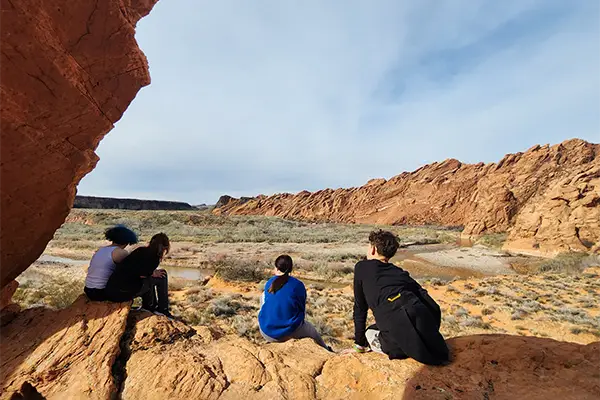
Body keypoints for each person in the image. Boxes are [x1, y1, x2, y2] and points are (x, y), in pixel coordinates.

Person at [350, 230, 449, 365]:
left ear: (373, 249)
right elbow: (430, 303)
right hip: (429, 335)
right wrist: (430, 330)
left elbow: (360, 309)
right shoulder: (400, 273)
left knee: (370, 332)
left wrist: (359, 345)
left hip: (398, 345)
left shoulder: (362, 267)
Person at [258, 255, 331, 350]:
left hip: (265, 331)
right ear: (290, 269)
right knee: (312, 331)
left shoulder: (269, 282)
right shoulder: (297, 285)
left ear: (276, 267)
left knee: (263, 296)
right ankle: (326, 350)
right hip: (289, 332)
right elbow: (301, 308)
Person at [104, 233, 172, 317]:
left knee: (149, 278)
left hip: (112, 290)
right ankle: (163, 309)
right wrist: (151, 273)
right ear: (165, 247)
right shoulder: (154, 257)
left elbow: (136, 270)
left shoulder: (140, 250)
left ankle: (150, 306)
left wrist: (151, 273)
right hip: (122, 293)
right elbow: (143, 274)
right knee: (161, 276)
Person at [84, 225, 138, 301]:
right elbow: (134, 268)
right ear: (127, 241)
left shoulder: (102, 250)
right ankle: (148, 307)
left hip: (88, 289)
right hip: (102, 291)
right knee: (144, 282)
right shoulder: (120, 252)